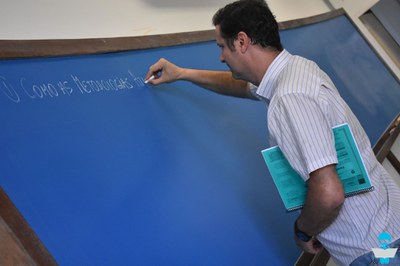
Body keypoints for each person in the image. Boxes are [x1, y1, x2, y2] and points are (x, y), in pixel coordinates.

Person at [145, 0, 400, 265]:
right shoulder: (297, 69)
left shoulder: (289, 97)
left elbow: (328, 193)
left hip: (377, 252)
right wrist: (184, 73)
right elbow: (242, 87)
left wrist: (303, 229)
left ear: (242, 42)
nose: (221, 57)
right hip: (391, 226)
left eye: (222, 46)